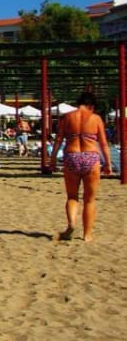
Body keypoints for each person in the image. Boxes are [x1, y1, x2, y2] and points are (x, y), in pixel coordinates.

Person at [50, 91, 112, 242]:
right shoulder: (95, 118)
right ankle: (87, 235)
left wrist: (52, 159)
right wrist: (108, 163)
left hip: (72, 156)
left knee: (72, 196)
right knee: (89, 200)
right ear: (91, 106)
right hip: (91, 157)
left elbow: (58, 140)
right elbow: (103, 143)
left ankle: (72, 223)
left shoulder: (67, 117)